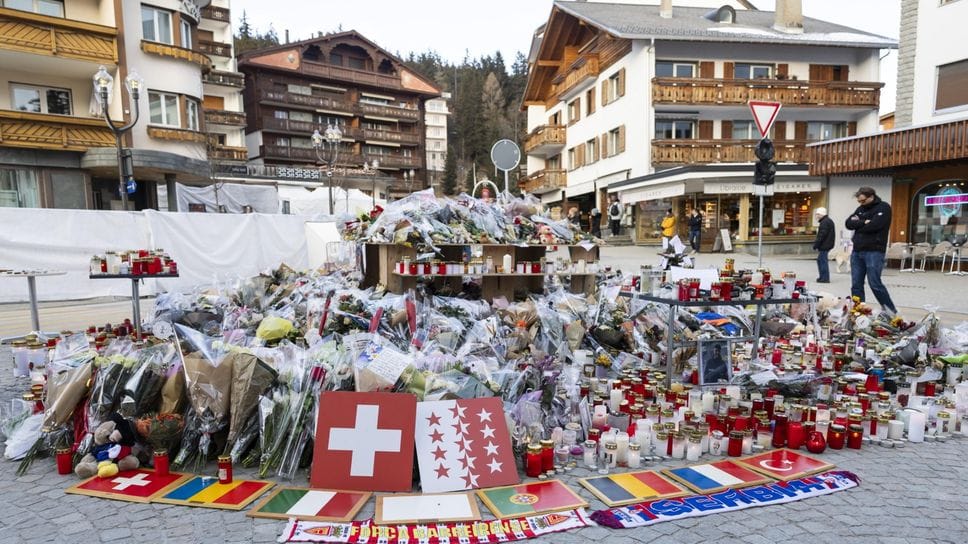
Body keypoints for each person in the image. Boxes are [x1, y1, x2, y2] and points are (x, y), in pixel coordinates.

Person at [846, 186, 897, 315]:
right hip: (857, 251)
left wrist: (859, 224)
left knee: (875, 283)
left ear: (871, 197)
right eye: (859, 201)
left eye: (863, 201)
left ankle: (890, 311)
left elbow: (876, 225)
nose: (861, 204)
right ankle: (858, 311)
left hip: (874, 251)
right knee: (856, 283)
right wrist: (864, 222)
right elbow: (848, 223)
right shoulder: (860, 209)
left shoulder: (884, 207)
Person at [813, 207, 835, 283]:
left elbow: (822, 235)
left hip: (824, 245)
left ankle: (824, 278)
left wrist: (816, 244)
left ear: (822, 214)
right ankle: (823, 277)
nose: (816, 216)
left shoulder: (824, 222)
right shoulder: (827, 221)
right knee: (821, 260)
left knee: (822, 261)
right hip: (827, 244)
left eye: (818, 214)